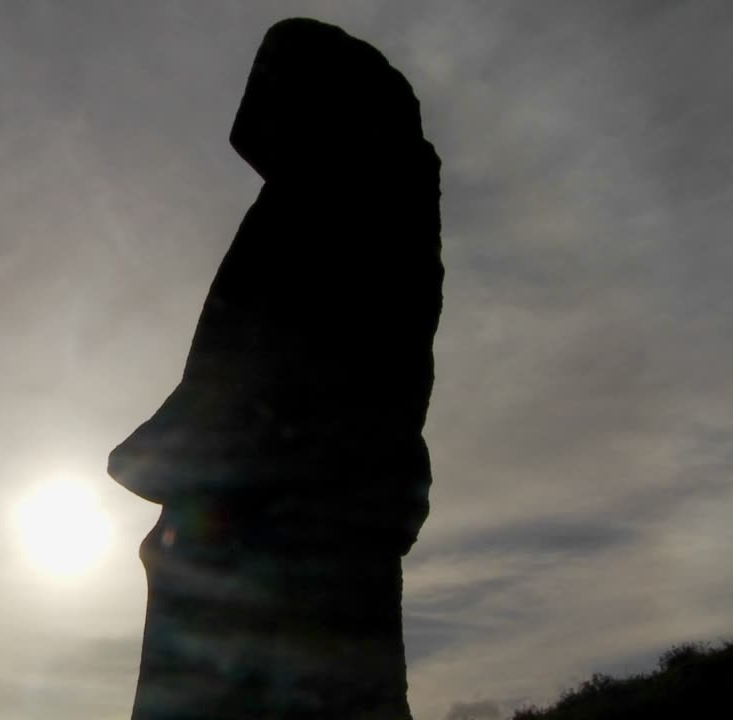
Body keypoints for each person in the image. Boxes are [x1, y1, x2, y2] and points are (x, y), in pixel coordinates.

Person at [108, 17, 443, 719]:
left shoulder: (357, 194)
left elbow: (311, 358)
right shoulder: (301, 208)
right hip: (258, 495)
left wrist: (202, 449)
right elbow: (239, 356)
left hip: (292, 501)